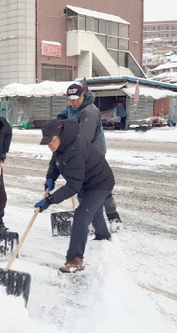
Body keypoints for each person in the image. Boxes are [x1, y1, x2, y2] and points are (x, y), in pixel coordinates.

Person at [35, 119, 115, 273]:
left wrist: (50, 200)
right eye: (47, 143)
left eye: (51, 141)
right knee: (93, 210)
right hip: (87, 182)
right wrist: (50, 177)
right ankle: (103, 238)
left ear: (60, 136)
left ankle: (75, 259)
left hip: (100, 183)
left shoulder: (74, 149)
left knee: (81, 216)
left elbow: (73, 186)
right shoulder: (62, 145)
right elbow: (55, 162)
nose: (50, 146)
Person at [58, 82, 122, 235]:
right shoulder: (72, 107)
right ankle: (92, 219)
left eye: (76, 99)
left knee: (99, 186)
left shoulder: (90, 112)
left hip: (94, 153)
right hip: (80, 152)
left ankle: (113, 217)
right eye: (70, 99)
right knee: (84, 186)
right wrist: (61, 118)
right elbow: (67, 113)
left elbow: (83, 138)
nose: (73, 103)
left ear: (83, 96)